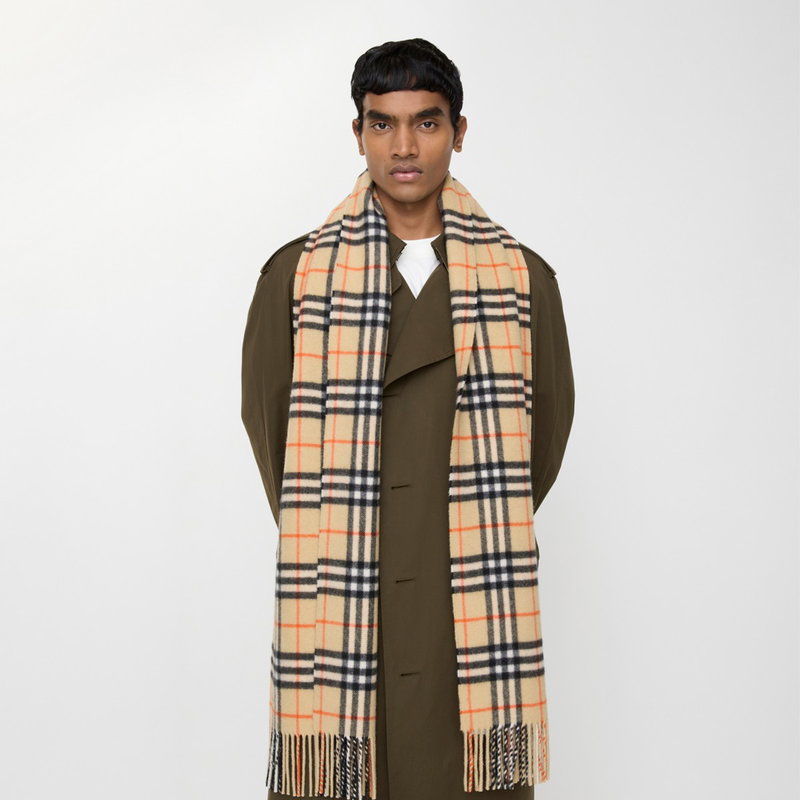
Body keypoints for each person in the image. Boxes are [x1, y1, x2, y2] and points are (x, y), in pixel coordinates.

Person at [241, 38, 575, 800]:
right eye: (382, 123)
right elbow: (272, 434)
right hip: (342, 605)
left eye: (426, 122)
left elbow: (544, 439)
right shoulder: (296, 278)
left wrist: (465, 522)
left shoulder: (521, 281)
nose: (403, 147)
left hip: (470, 610)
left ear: (459, 131)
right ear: (357, 133)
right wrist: (341, 530)